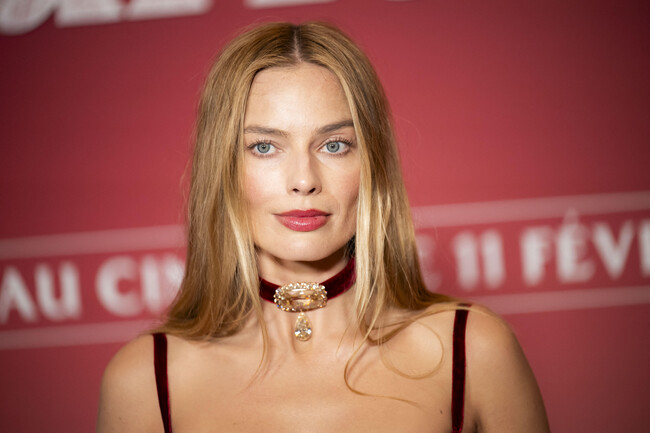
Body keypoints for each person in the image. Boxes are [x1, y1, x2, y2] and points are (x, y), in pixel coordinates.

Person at [96, 22, 549, 433]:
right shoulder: (145, 381)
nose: (304, 180)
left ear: (372, 163)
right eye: (264, 147)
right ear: (222, 167)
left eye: (334, 145)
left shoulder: (473, 351)